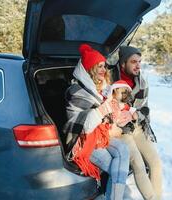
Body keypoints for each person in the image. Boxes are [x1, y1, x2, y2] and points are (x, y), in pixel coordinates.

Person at [62, 44, 130, 200]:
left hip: (100, 136)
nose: (103, 70)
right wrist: (103, 110)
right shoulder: (75, 92)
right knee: (116, 169)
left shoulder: (100, 90)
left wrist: (119, 118)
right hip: (84, 141)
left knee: (123, 150)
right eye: (99, 66)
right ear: (90, 68)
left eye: (104, 66)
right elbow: (83, 127)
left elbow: (108, 116)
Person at [112, 46, 163, 200]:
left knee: (155, 163)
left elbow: (145, 109)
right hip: (120, 131)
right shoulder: (111, 80)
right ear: (123, 63)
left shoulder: (142, 82)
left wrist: (135, 115)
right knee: (139, 165)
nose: (138, 66)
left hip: (137, 127)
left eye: (140, 61)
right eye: (134, 61)